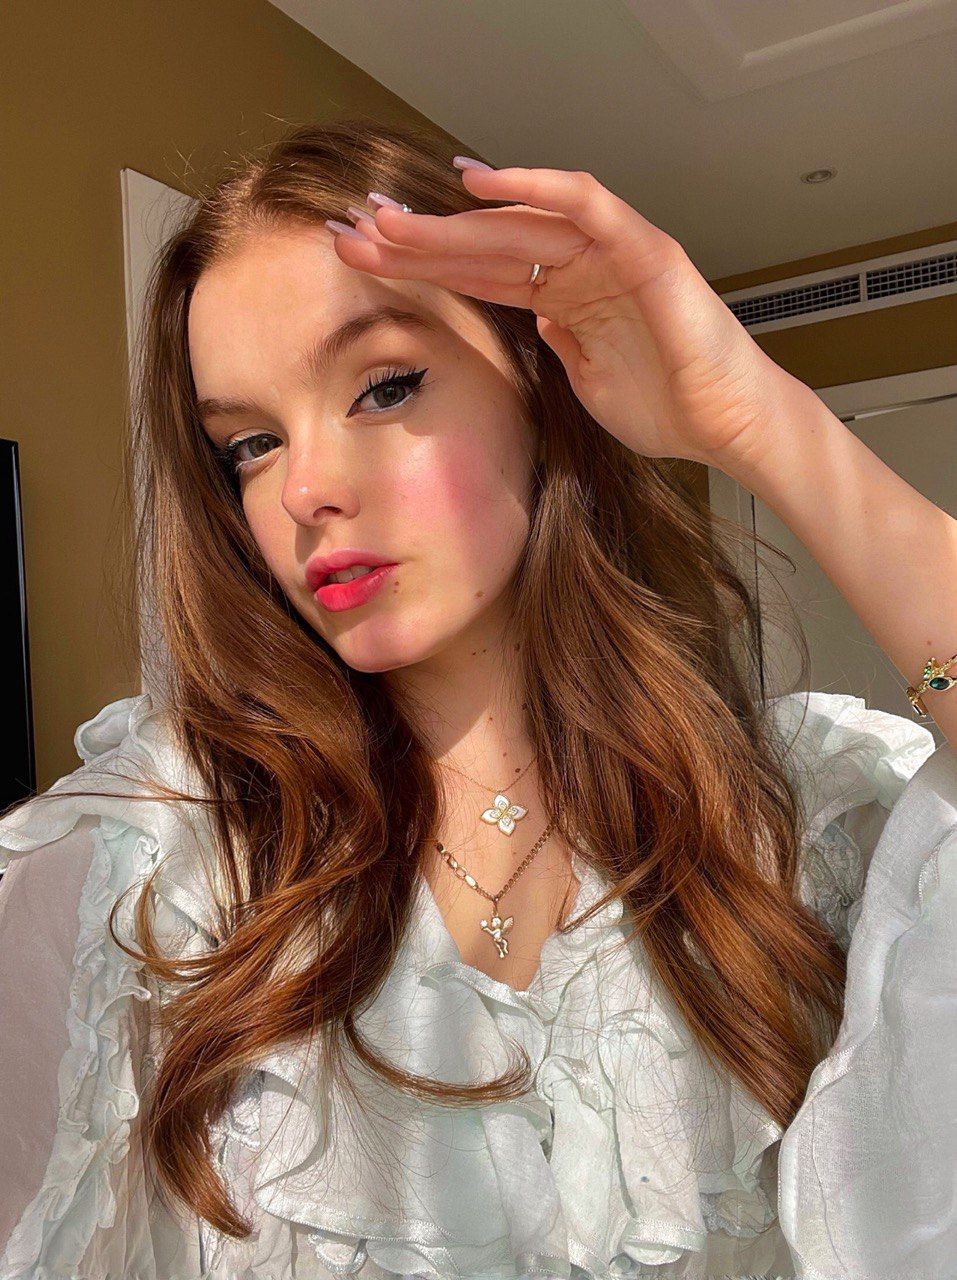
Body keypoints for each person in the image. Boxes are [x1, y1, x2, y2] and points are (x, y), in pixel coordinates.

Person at [0, 117, 954, 1280]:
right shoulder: (149, 861)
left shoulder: (796, 817)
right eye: (249, 444)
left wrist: (760, 419)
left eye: (384, 386)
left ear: (542, 386)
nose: (304, 489)